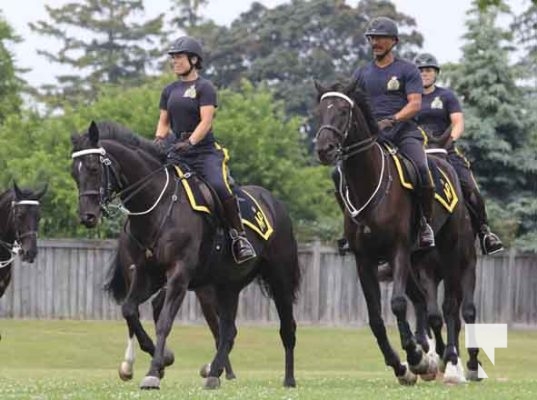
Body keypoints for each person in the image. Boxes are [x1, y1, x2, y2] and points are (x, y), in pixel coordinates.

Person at [335, 16, 435, 253]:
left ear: (394, 41)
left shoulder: (407, 69)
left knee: (421, 169)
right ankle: (351, 225)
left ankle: (424, 226)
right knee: (336, 173)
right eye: (372, 38)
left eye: (380, 38)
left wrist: (392, 120)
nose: (375, 42)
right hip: (372, 138)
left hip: (403, 134)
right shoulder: (361, 73)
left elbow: (415, 104)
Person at [154, 36, 256, 264]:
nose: (175, 62)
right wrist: (160, 140)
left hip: (203, 152)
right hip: (176, 151)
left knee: (220, 186)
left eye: (179, 58)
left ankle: (239, 237)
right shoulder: (168, 90)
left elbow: (206, 121)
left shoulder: (204, 87)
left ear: (193, 59)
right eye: (173, 58)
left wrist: (190, 142)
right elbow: (163, 121)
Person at [414, 52, 503, 255]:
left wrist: (450, 140)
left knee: (470, 187)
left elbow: (458, 122)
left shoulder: (446, 96)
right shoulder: (411, 99)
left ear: (435, 73)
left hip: (446, 151)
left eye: (428, 70)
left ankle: (484, 232)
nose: (424, 74)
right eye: (420, 71)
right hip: (417, 152)